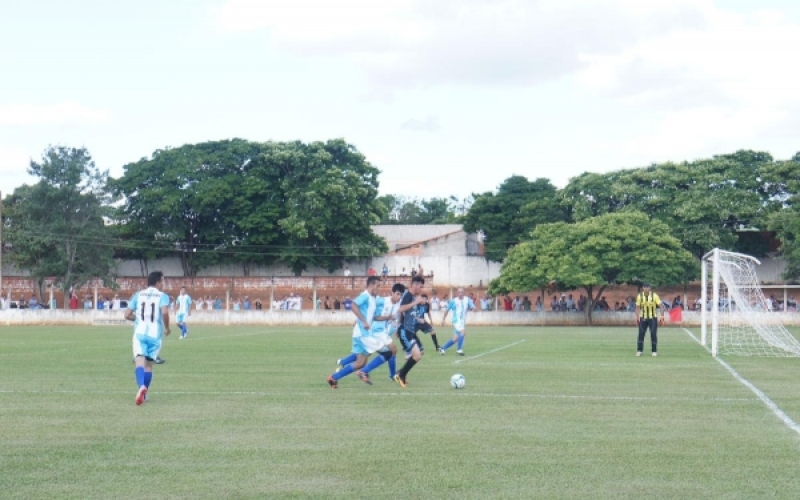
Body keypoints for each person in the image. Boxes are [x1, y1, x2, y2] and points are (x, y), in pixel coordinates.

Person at [326, 276, 392, 388]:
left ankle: (333, 377)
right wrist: (363, 321)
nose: (379, 288)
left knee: (360, 362)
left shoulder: (372, 299)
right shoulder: (365, 296)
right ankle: (363, 372)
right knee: (388, 352)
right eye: (377, 286)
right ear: (371, 285)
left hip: (361, 333)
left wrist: (387, 317)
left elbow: (374, 317)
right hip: (362, 334)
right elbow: (353, 304)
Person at [125, 271, 171, 405]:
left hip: (140, 333)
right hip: (155, 335)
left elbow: (127, 314)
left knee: (139, 361)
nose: (163, 285)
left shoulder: (138, 295)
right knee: (149, 365)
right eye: (162, 282)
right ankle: (144, 394)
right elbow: (164, 312)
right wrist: (167, 327)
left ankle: (141, 387)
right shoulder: (163, 296)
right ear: (158, 283)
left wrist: (138, 319)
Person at [394, 275, 426, 387]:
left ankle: (401, 373)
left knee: (420, 352)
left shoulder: (414, 296)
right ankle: (401, 375)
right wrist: (415, 303)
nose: (421, 290)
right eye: (420, 287)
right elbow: (401, 309)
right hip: (405, 330)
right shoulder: (408, 295)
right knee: (416, 355)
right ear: (415, 285)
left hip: (411, 331)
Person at [439, 287, 476, 356]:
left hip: (462, 321)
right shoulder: (453, 301)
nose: (460, 294)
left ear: (464, 293)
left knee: (455, 338)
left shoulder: (467, 299)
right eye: (459, 292)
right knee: (463, 332)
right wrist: (443, 320)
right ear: (457, 293)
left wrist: (474, 308)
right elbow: (447, 310)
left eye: (461, 292)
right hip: (456, 320)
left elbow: (473, 306)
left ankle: (442, 348)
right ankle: (459, 349)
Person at [635, 282, 665, 357]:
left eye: (647, 287)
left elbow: (661, 306)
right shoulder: (640, 296)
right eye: (645, 287)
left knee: (653, 334)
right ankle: (639, 350)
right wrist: (637, 316)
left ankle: (654, 351)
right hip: (643, 318)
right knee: (641, 334)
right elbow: (638, 307)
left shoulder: (654, 296)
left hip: (653, 318)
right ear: (643, 288)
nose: (646, 288)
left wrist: (662, 316)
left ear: (650, 288)